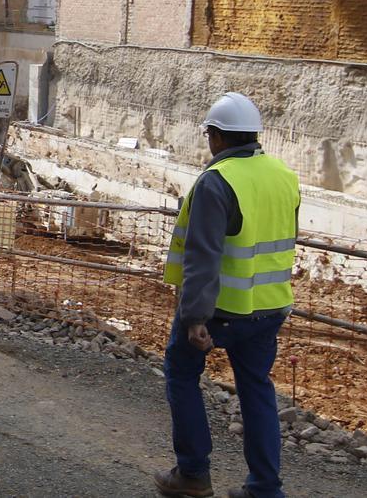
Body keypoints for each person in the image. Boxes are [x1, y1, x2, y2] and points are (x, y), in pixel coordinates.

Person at [154, 93, 300, 498]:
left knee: (181, 374)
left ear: (216, 137)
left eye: (209, 136)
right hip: (269, 307)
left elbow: (203, 256)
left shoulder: (217, 182)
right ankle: (265, 488)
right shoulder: (283, 175)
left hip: (219, 309)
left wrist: (196, 318)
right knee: (257, 389)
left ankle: (193, 474)